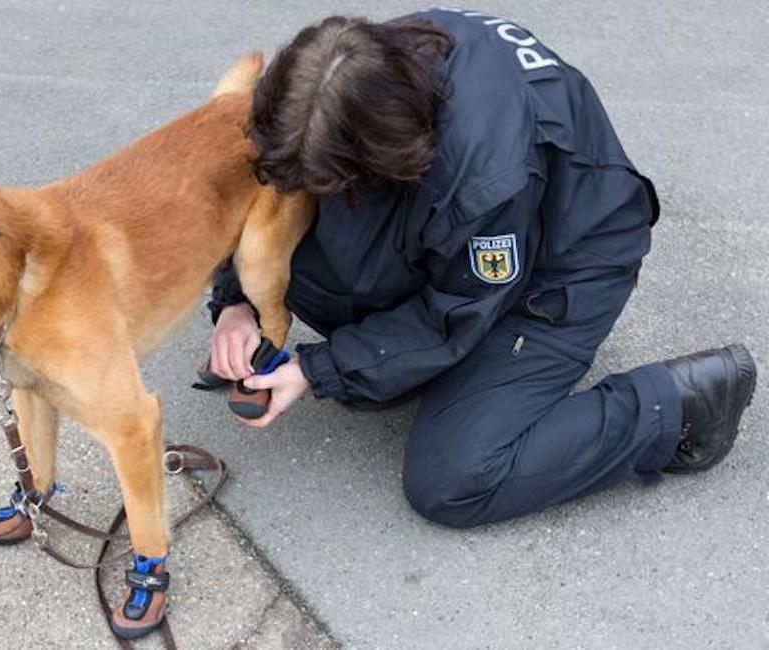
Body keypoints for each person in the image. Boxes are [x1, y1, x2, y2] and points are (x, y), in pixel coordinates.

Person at [206, 8, 757, 528]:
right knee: (328, 254)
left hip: (562, 268)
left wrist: (318, 369)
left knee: (454, 476)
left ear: (381, 153)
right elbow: (270, 199)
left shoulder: (482, 179)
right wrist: (240, 301)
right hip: (450, 224)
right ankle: (409, 366)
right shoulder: (343, 75)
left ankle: (674, 406)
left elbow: (453, 314)